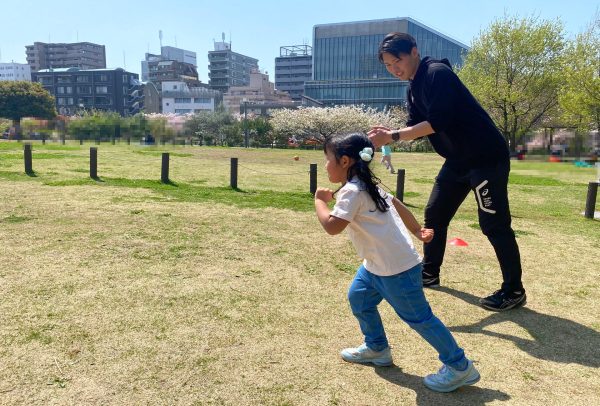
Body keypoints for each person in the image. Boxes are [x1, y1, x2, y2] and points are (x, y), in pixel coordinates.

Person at [367, 32, 526, 312]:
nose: (394, 69)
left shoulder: (437, 74)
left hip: (485, 158)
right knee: (435, 214)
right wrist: (390, 134)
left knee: (494, 225)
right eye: (388, 65)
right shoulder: (413, 86)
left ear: (414, 51)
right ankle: (429, 272)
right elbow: (416, 125)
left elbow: (437, 122)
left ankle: (514, 290)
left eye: (397, 61)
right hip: (457, 161)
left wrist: (392, 136)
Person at [314, 132, 480, 393]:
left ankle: (460, 367)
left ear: (344, 161)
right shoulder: (365, 185)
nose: (325, 165)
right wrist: (417, 231)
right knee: (359, 298)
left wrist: (319, 202)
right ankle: (377, 348)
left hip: (396, 269)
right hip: (376, 265)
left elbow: (332, 227)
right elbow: (397, 204)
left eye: (328, 159)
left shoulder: (352, 191)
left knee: (420, 319)